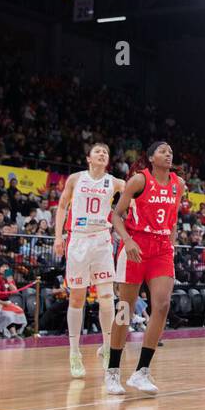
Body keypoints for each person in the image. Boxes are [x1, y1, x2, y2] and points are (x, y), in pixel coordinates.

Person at [108, 141, 181, 395]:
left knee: (162, 305)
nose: (168, 154)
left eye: (170, 151)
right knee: (125, 310)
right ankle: (112, 371)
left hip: (161, 249)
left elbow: (173, 219)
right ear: (151, 157)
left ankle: (141, 372)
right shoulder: (139, 180)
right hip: (135, 246)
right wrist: (126, 240)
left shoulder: (178, 184)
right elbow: (117, 215)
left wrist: (171, 244)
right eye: (162, 151)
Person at [54, 142, 123, 378]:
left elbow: (136, 191)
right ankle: (74, 353)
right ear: (88, 158)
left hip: (102, 241)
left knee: (106, 297)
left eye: (106, 152)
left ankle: (107, 349)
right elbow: (62, 206)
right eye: (98, 152)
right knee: (77, 297)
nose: (103, 154)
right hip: (78, 241)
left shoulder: (114, 182)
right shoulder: (75, 179)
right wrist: (57, 237)